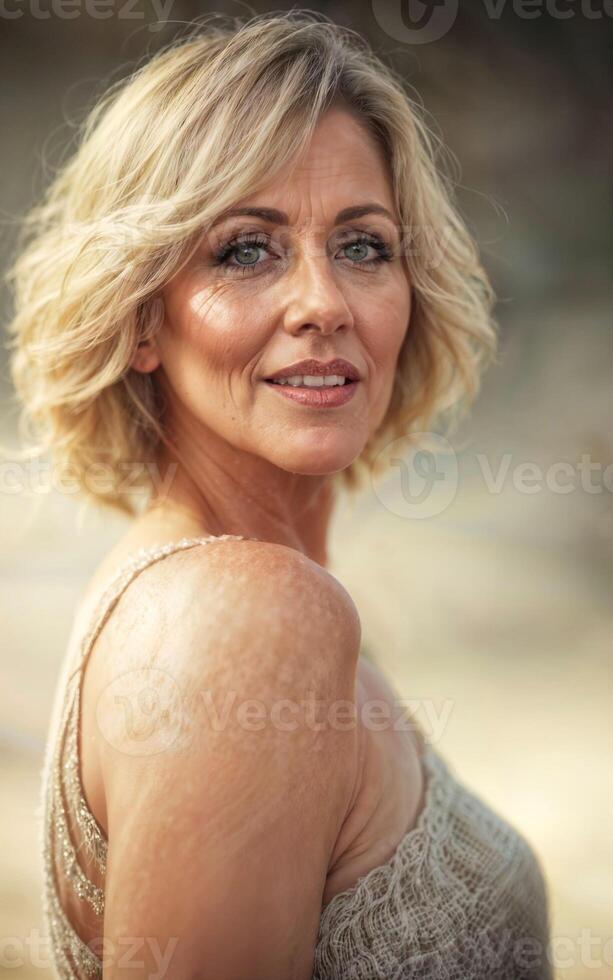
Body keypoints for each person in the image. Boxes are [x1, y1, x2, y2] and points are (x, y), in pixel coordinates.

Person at [5, 11, 552, 979]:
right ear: (140, 317)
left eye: (363, 245)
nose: (323, 303)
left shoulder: (249, 593)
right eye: (245, 250)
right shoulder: (248, 616)